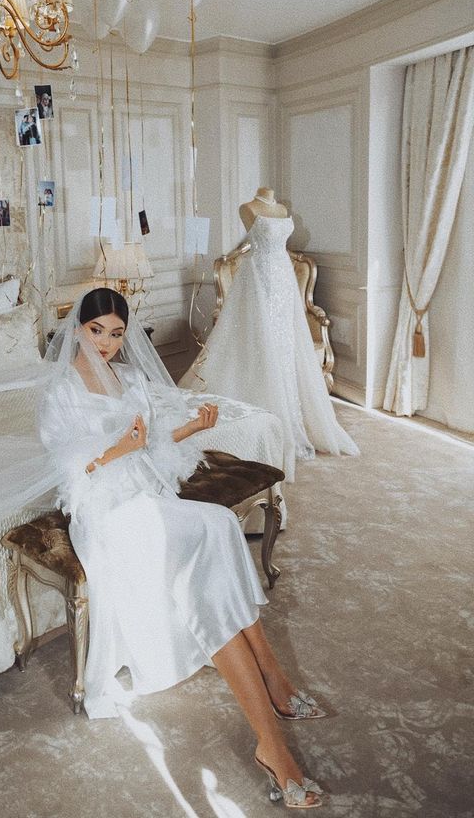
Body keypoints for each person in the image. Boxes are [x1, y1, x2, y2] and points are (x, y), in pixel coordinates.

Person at [39, 287, 326, 809]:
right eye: (95, 330)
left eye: (117, 333)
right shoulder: (60, 390)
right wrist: (112, 451)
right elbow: (66, 471)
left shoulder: (128, 379)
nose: (105, 343)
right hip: (106, 512)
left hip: (142, 496)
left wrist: (192, 425)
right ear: (77, 328)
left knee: (218, 526)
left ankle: (271, 673)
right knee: (201, 573)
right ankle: (272, 739)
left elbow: (149, 442)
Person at [180, 188, 358, 482]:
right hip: (259, 280)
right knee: (261, 347)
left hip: (283, 280)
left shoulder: (281, 207)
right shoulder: (247, 207)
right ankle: (264, 422)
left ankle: (292, 418)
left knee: (286, 350)